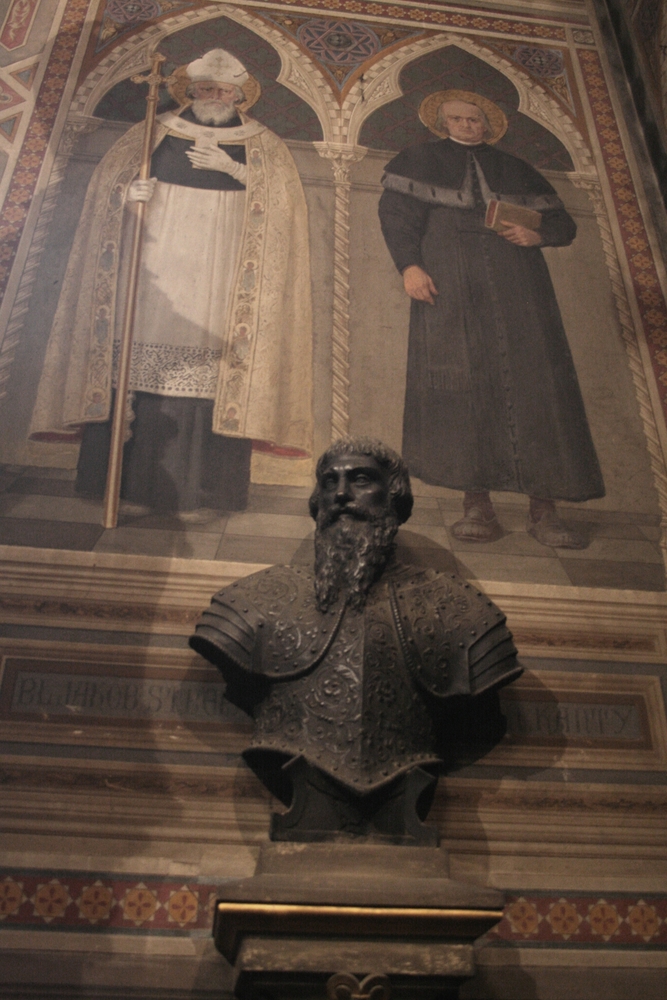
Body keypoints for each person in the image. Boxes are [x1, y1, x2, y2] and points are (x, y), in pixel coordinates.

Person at [190, 438, 521, 843]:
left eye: (361, 479)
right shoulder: (253, 604)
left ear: (395, 495)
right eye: (329, 482)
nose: (342, 493)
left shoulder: (459, 611)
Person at [30, 49, 312, 515]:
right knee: (136, 353)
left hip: (224, 271)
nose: (214, 97)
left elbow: (284, 210)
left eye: (224, 90)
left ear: (240, 95)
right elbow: (106, 189)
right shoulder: (154, 130)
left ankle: (206, 490)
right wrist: (127, 193)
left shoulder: (264, 143)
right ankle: (117, 483)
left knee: (214, 363)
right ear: (190, 91)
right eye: (205, 89)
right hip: (156, 262)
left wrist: (234, 169)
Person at [378, 90, 604, 547]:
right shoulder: (416, 160)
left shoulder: (516, 168)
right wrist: (410, 266)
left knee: (538, 387)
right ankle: (476, 506)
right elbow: (397, 217)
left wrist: (536, 233)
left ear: (489, 124)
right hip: (450, 284)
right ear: (441, 123)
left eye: (474, 119)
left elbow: (565, 225)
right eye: (456, 119)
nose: (465, 125)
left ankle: (545, 511)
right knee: (463, 384)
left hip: (519, 285)